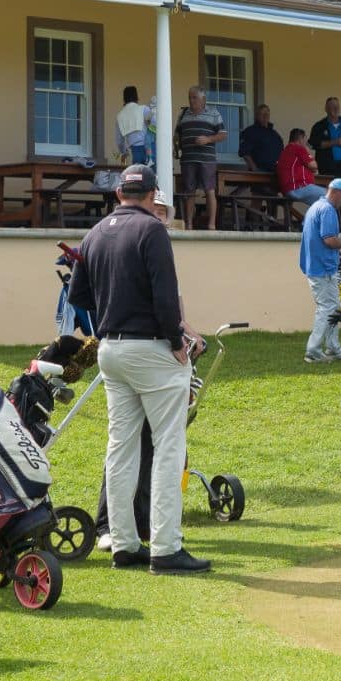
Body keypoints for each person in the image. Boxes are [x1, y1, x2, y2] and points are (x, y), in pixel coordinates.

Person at [67, 162, 210, 576]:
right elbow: (166, 297)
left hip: (111, 348)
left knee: (121, 445)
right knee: (169, 445)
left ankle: (124, 544)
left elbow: (80, 295)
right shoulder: (152, 231)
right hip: (149, 347)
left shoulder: (94, 233)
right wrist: (176, 341)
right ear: (152, 196)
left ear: (118, 195)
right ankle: (165, 547)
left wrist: (114, 311)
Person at [299, 179, 341, 362]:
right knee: (328, 308)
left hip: (316, 266)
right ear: (338, 192)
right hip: (322, 269)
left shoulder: (315, 206)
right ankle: (313, 351)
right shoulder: (328, 210)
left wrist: (337, 255)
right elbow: (329, 239)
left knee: (330, 307)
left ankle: (333, 349)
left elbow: (319, 239)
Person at [174, 87, 227, 232]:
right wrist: (176, 146)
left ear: (203, 100)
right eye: (190, 97)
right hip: (188, 158)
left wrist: (208, 139)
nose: (191, 100)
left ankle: (211, 226)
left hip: (206, 159)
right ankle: (189, 225)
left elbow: (223, 134)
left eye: (194, 98)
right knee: (189, 191)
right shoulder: (183, 113)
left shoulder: (213, 113)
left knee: (209, 190)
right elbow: (177, 134)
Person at [308, 97, 341, 181]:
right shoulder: (319, 126)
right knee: (329, 192)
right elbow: (314, 144)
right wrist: (334, 142)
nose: (336, 109)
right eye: (332, 106)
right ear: (326, 109)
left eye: (337, 106)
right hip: (328, 167)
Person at [276, 128, 321, 205]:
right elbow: (314, 166)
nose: (305, 143)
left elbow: (312, 169)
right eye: (305, 140)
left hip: (288, 190)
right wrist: (308, 153)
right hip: (299, 187)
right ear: (300, 139)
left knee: (320, 204)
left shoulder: (285, 150)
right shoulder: (298, 148)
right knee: (333, 195)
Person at [238, 103, 283, 175]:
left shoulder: (275, 135)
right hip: (260, 171)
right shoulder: (250, 131)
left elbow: (282, 153)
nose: (265, 116)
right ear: (257, 115)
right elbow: (244, 152)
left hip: (275, 172)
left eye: (267, 114)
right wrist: (254, 169)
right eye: (263, 113)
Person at [116, 85, 152, 166]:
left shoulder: (120, 116)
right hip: (149, 147)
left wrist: (124, 152)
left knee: (138, 176)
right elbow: (156, 124)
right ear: (136, 97)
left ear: (124, 98)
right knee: (152, 176)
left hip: (135, 150)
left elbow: (119, 141)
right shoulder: (144, 109)